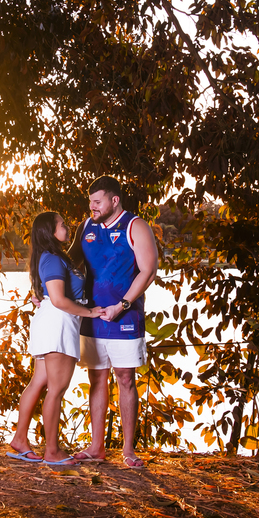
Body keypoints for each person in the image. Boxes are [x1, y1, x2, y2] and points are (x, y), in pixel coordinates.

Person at [71, 176, 159, 469]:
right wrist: (45, 290)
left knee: (125, 378)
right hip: (93, 316)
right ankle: (96, 448)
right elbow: (69, 263)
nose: (92, 207)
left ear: (114, 201)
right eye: (90, 202)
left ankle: (129, 450)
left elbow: (148, 270)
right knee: (96, 379)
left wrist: (122, 305)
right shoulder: (86, 226)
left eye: (97, 202)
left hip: (124, 317)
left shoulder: (135, 226)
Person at [7, 212, 106, 466]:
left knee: (39, 382)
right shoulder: (51, 259)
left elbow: (54, 294)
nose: (67, 225)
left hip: (54, 320)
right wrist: (90, 312)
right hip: (58, 322)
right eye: (62, 224)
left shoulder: (54, 256)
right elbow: (60, 300)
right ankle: (52, 451)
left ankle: (20, 441)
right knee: (56, 390)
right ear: (50, 231)